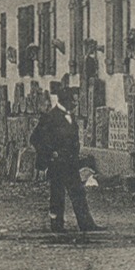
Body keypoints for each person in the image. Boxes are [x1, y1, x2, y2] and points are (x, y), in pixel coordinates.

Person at [29, 84, 104, 233]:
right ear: (64, 101)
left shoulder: (70, 116)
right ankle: (57, 225)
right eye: (73, 101)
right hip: (57, 164)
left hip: (70, 163)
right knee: (57, 195)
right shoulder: (50, 116)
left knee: (78, 193)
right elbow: (35, 138)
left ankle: (86, 224)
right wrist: (50, 153)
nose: (76, 104)